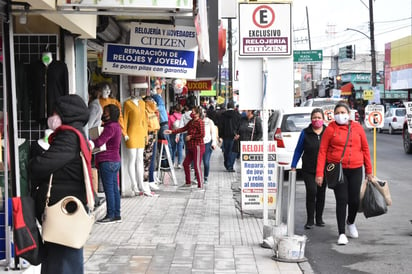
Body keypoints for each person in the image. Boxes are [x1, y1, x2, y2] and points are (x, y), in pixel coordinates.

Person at [29, 94, 90, 274]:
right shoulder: (77, 135)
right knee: (61, 260)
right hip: (67, 207)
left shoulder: (68, 137)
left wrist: (33, 159)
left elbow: (41, 166)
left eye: (55, 113)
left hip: (63, 211)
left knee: (62, 261)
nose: (52, 117)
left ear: (66, 114)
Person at [315, 102, 373, 245]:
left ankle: (350, 221)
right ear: (334, 115)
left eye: (343, 112)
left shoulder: (358, 128)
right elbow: (322, 151)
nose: (340, 115)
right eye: (337, 113)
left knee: (353, 200)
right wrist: (319, 173)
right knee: (341, 200)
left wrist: (369, 171)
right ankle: (341, 233)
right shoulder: (330, 130)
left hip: (355, 169)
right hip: (338, 170)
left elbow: (365, 150)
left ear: (348, 114)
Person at [291, 108, 327, 229]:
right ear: (311, 119)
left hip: (324, 170)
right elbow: (298, 150)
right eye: (314, 117)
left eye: (319, 117)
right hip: (308, 169)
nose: (317, 120)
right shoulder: (305, 132)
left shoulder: (327, 131)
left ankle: (319, 218)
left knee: (321, 193)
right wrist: (293, 165)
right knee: (312, 192)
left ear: (323, 119)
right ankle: (310, 219)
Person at [91, 104, 122, 224]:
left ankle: (110, 215)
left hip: (107, 161)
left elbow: (99, 142)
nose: (104, 114)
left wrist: (89, 141)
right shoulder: (117, 126)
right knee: (114, 189)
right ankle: (117, 214)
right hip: (115, 160)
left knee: (109, 190)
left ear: (111, 114)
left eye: (106, 112)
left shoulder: (110, 127)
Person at [164, 106, 205, 189]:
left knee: (197, 165)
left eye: (193, 112)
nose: (191, 113)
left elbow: (202, 134)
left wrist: (191, 136)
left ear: (197, 113)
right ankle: (188, 182)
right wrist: (172, 131)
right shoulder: (191, 122)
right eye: (192, 112)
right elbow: (183, 128)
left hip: (198, 146)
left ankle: (200, 185)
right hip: (190, 146)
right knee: (185, 164)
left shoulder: (200, 122)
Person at [123, 87, 153, 197]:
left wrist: (146, 135)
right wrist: (125, 133)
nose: (136, 92)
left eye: (138, 90)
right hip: (131, 133)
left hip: (141, 133)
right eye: (134, 90)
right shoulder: (127, 104)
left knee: (140, 159)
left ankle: (141, 184)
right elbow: (125, 119)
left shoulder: (142, 103)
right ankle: (134, 185)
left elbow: (145, 120)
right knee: (132, 159)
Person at [218, 101, 241, 172]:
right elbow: (239, 125)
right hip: (234, 136)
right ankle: (230, 165)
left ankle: (226, 163)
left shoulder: (223, 115)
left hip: (225, 136)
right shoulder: (237, 115)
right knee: (233, 151)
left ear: (227, 107)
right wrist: (238, 133)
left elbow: (220, 126)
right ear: (234, 107)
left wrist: (220, 135)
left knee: (226, 151)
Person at [202, 109, 218, 184]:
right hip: (198, 143)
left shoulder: (209, 122)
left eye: (204, 112)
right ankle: (196, 176)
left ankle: (205, 177)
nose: (203, 113)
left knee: (206, 161)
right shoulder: (195, 121)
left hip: (207, 143)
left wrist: (214, 142)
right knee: (196, 162)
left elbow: (213, 132)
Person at [169, 104, 184, 169]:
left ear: (174, 110)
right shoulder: (182, 116)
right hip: (180, 133)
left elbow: (169, 126)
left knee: (173, 148)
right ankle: (179, 163)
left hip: (173, 132)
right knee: (180, 148)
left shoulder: (171, 116)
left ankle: (172, 162)